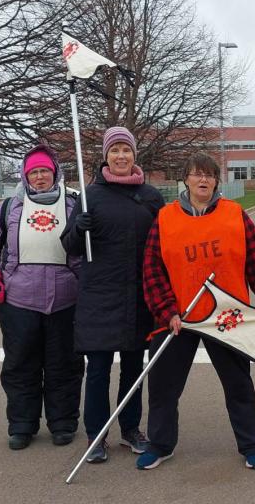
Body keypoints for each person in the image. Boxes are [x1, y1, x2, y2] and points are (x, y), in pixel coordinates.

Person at [139, 152, 255, 471]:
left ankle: (252, 445)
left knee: (238, 385)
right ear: (186, 179)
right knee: (163, 386)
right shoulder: (166, 218)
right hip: (179, 316)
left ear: (216, 181)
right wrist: (167, 312)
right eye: (196, 174)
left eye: (209, 175)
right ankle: (160, 444)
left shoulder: (234, 214)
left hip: (226, 315)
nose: (203, 180)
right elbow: (152, 270)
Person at [61, 127, 165, 464]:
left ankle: (131, 429)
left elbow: (165, 245)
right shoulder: (89, 196)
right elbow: (70, 247)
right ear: (106, 156)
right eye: (115, 150)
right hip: (100, 297)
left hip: (139, 296)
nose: (121, 156)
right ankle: (96, 434)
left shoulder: (150, 196)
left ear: (135, 155)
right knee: (98, 370)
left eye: (127, 150)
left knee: (134, 369)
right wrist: (79, 227)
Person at [0, 144, 83, 450]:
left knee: (65, 365)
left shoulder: (75, 205)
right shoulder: (9, 207)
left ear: (55, 174)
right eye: (33, 172)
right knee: (21, 366)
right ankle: (22, 424)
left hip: (66, 300)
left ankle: (63, 422)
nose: (39, 177)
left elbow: (90, 248)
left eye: (44, 171)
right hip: (19, 301)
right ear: (25, 176)